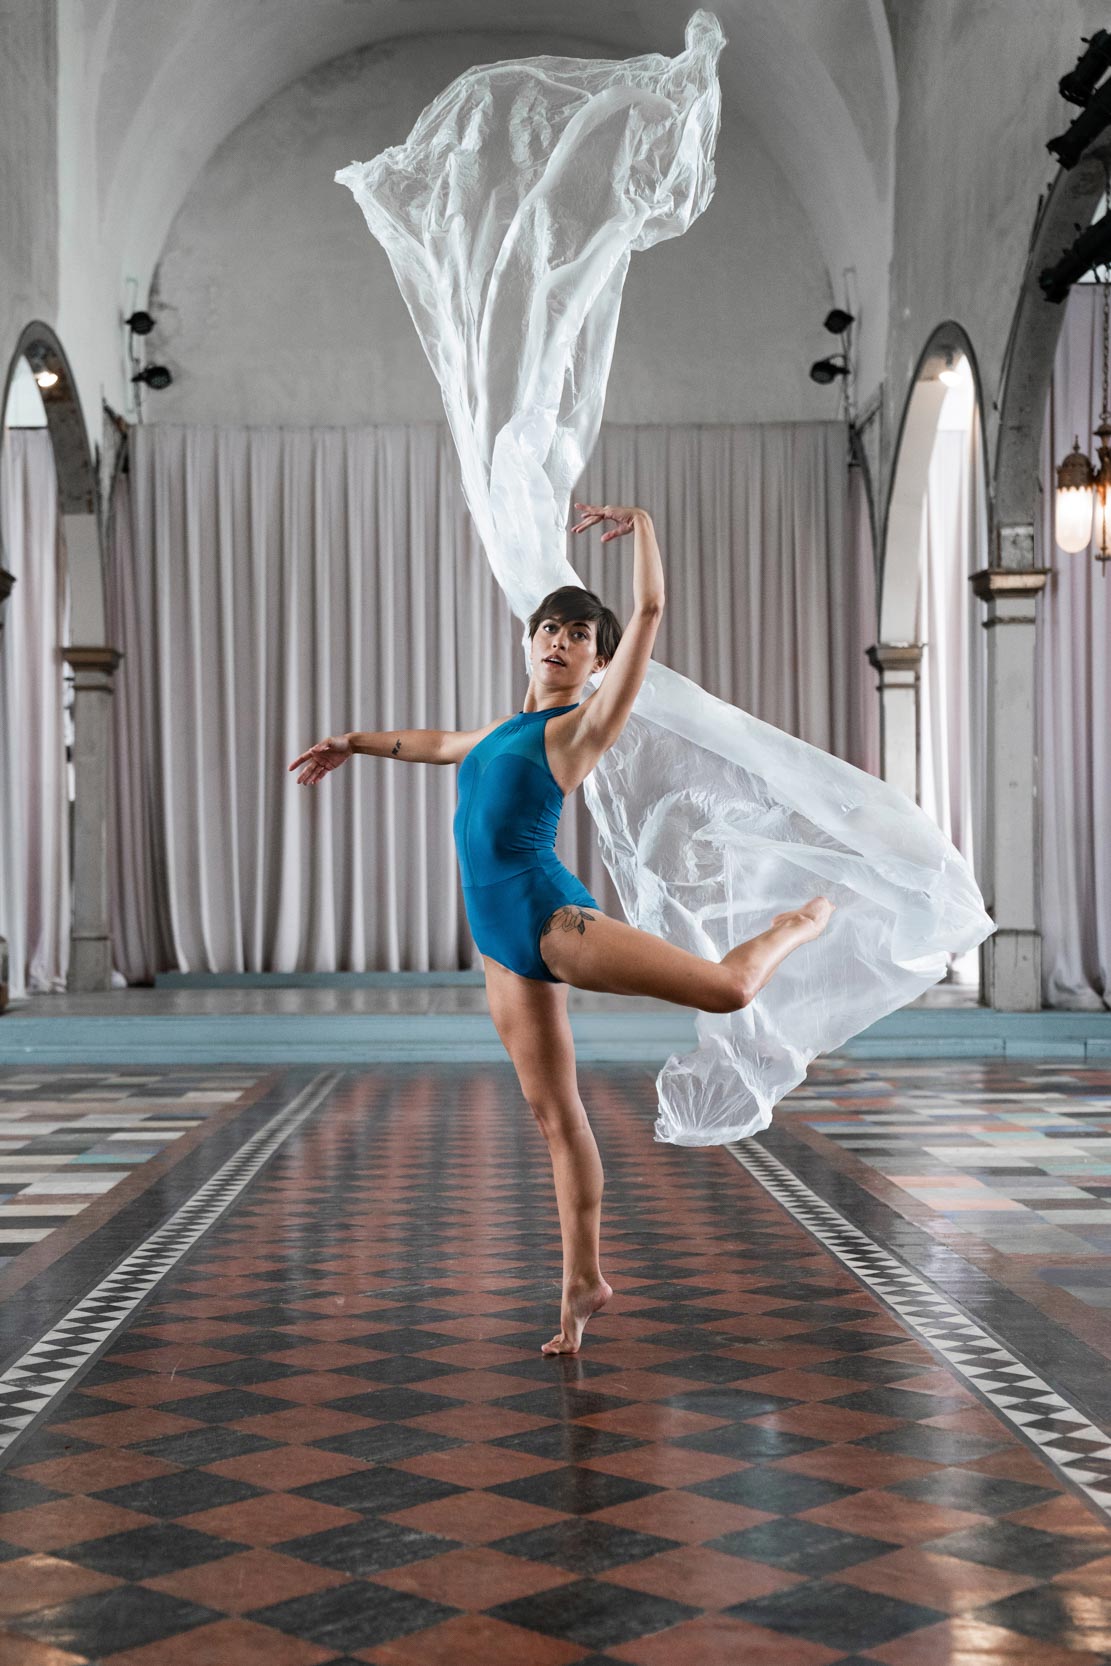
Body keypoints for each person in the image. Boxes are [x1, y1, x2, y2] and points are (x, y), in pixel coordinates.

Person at [290, 504, 833, 1353]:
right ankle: (582, 1282)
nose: (558, 640)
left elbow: (648, 612)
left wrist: (647, 525)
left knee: (726, 989)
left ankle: (800, 921)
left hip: (551, 921)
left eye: (578, 634)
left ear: (598, 659)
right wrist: (352, 741)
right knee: (555, 1118)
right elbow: (433, 744)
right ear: (528, 641)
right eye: (548, 628)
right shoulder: (499, 733)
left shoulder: (578, 727)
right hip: (499, 949)